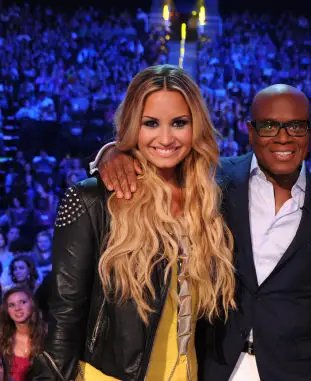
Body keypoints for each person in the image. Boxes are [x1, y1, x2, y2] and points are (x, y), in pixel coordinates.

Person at [90, 84, 311, 381]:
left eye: (296, 126)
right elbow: (158, 163)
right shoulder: (213, 181)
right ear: (250, 131)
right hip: (216, 365)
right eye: (269, 126)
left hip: (294, 371)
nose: (283, 137)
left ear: (310, 131)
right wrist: (112, 153)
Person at [29, 65, 236, 381]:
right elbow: (64, 316)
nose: (165, 138)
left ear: (197, 127)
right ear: (131, 126)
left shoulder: (207, 202)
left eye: (179, 123)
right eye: (150, 123)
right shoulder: (94, 200)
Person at [0, 287, 47, 381]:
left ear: (32, 304)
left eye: (23, 302)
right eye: (11, 305)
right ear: (7, 311)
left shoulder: (47, 334)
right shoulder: (2, 336)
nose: (17, 308)